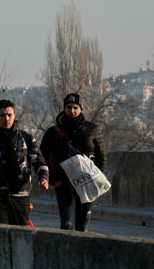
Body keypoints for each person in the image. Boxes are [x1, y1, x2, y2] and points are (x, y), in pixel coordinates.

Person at [40, 93, 106, 231]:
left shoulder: (92, 129)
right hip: (63, 183)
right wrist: (53, 179)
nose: (72, 111)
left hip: (86, 181)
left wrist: (99, 179)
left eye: (75, 107)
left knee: (82, 227)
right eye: (69, 107)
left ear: (81, 108)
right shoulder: (53, 132)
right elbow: (43, 157)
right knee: (66, 225)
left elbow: (101, 156)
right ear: (64, 108)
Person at [0, 100, 49, 225]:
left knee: (20, 235)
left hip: (20, 195)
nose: (6, 119)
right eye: (2, 115)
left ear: (14, 116)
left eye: (9, 115)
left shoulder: (26, 138)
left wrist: (43, 178)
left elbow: (39, 161)